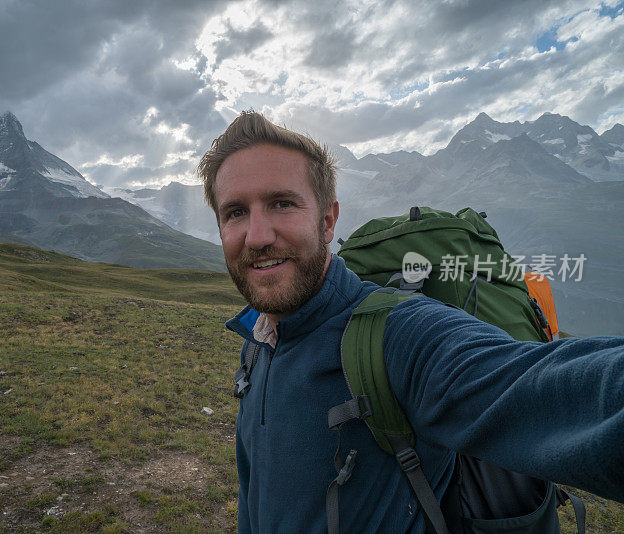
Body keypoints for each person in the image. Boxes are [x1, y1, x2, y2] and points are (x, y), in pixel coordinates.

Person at [197, 111, 624, 533]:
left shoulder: (399, 336)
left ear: (327, 221)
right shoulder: (257, 342)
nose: (256, 236)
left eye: (282, 203)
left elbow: (555, 389)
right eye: (235, 212)